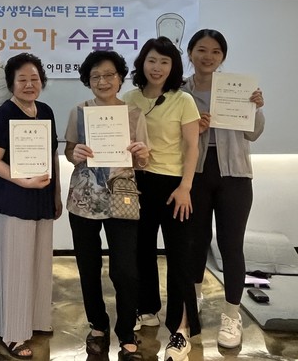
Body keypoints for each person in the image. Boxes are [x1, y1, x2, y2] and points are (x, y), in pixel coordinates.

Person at [65, 50, 149, 360]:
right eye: (96, 76)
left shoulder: (134, 113)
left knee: (125, 270)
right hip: (84, 199)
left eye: (109, 75)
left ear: (120, 77)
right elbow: (70, 151)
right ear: (88, 81)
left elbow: (143, 161)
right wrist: (73, 154)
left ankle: (126, 331)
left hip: (121, 199)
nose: (103, 81)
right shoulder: (79, 111)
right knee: (88, 267)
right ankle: (98, 326)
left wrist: (142, 155)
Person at [183, 29, 265, 349]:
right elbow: (170, 135)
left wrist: (256, 107)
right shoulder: (180, 91)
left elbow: (253, 134)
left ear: (223, 57)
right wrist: (195, 128)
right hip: (195, 173)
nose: (208, 56)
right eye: (202, 50)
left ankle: (232, 314)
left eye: (216, 51)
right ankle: (195, 296)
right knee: (195, 241)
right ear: (190, 53)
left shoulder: (238, 88)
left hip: (235, 174)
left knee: (231, 245)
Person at [122, 37, 200, 361]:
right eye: (152, 60)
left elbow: (192, 146)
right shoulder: (129, 99)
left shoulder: (183, 100)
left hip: (174, 187)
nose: (157, 67)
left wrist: (185, 187)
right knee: (141, 251)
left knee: (179, 259)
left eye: (165, 62)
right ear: (142, 63)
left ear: (173, 67)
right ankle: (147, 308)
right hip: (138, 182)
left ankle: (181, 330)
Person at [0, 53, 62, 360]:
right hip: (15, 198)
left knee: (40, 261)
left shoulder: (46, 111)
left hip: (43, 197)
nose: (30, 85)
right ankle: (13, 333)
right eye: (22, 80)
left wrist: (56, 194)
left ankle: (36, 319)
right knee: (16, 266)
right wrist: (23, 182)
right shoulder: (4, 113)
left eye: (34, 79)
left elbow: (52, 155)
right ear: (11, 84)